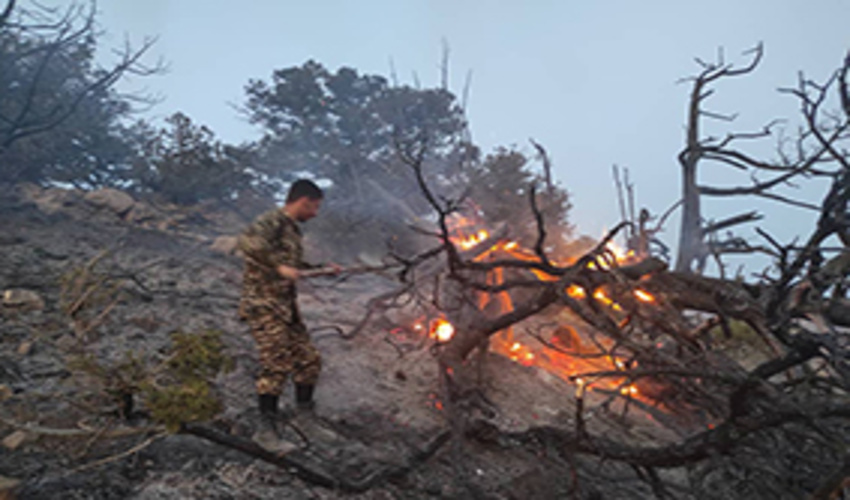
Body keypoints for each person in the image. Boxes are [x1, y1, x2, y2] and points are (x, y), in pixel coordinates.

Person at [237, 179, 337, 429]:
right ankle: (266, 428)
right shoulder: (270, 221)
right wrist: (278, 266)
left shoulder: (292, 230)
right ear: (303, 202)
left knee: (309, 359)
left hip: (286, 307)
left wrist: (322, 270)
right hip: (264, 305)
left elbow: (293, 266)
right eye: (314, 208)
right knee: (276, 363)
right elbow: (249, 245)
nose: (314, 214)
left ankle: (305, 417)